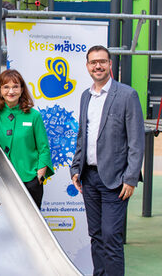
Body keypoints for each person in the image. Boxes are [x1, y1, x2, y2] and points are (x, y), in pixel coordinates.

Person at [70, 45, 145, 276]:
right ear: (87, 66)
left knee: (112, 237)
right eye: (93, 62)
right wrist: (75, 167)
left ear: (110, 64)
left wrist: (131, 178)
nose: (98, 66)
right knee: (97, 236)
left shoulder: (127, 95)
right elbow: (83, 135)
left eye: (102, 61)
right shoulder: (85, 96)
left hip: (116, 180)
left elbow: (136, 141)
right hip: (89, 178)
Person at [0, 69, 54, 209]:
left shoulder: (34, 116)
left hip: (29, 178)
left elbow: (44, 148)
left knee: (32, 224)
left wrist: (39, 177)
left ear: (22, 89)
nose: (11, 91)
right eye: (6, 87)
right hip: (2, 180)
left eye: (15, 86)